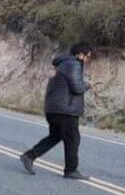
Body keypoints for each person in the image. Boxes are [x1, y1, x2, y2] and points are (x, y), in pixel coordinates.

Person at [20, 42, 94, 180]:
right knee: (73, 139)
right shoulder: (73, 64)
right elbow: (77, 87)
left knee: (55, 137)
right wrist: (88, 85)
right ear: (80, 54)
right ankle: (71, 170)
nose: (87, 60)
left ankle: (29, 156)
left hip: (53, 108)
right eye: (87, 56)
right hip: (65, 110)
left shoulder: (60, 64)